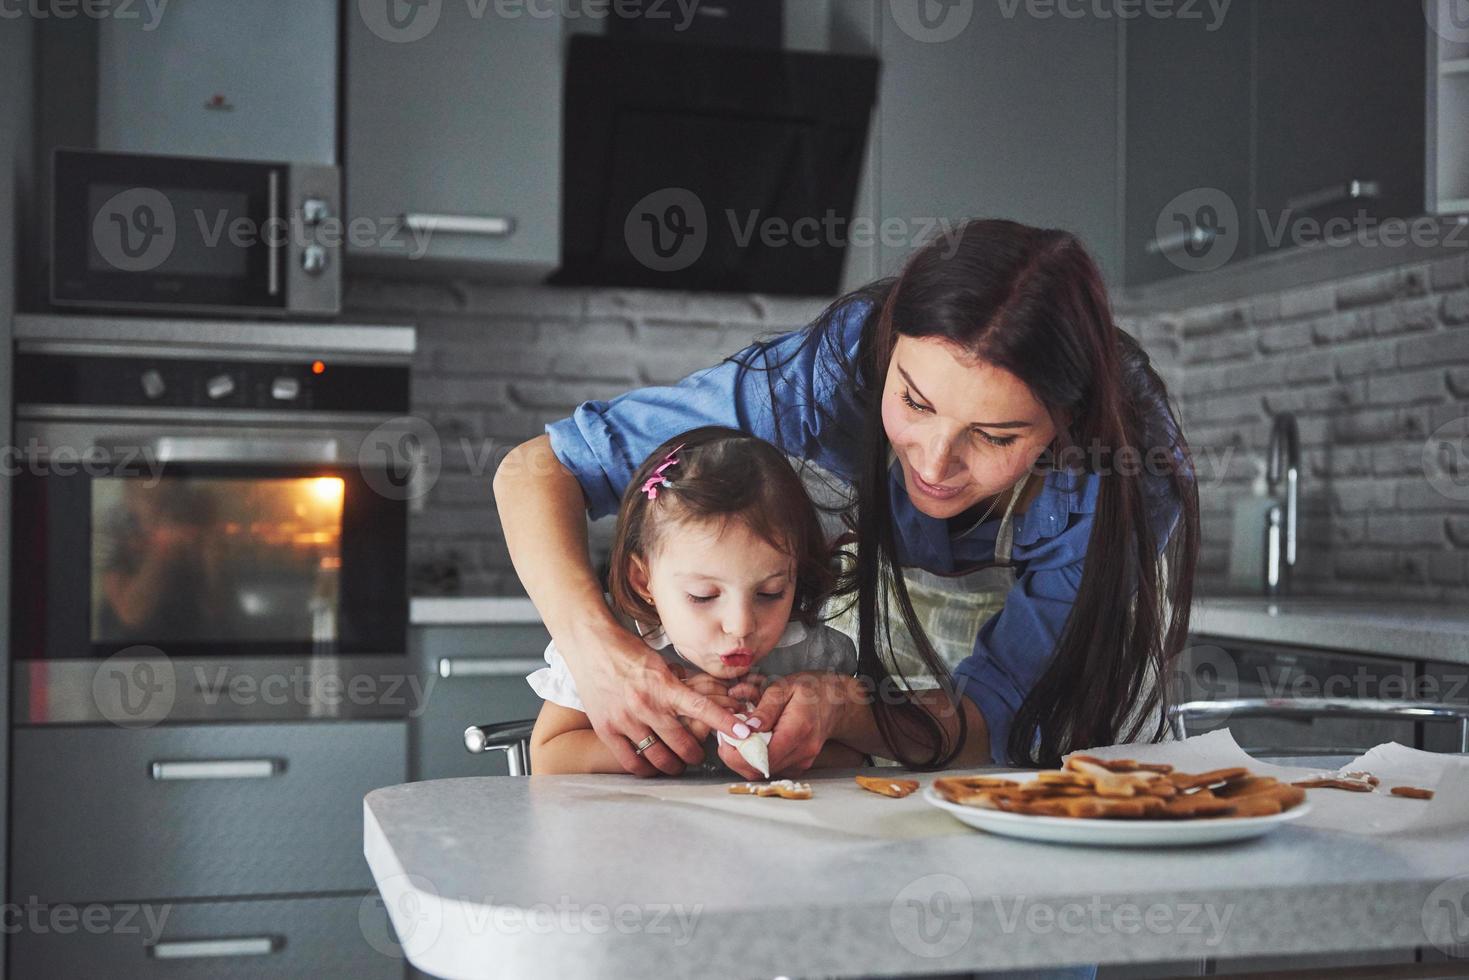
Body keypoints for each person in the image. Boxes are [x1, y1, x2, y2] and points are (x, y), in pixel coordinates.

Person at [494, 218, 1199, 783]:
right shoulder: (822, 380)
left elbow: (1002, 718)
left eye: (993, 436)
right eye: (913, 403)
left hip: (1065, 756)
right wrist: (599, 651)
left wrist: (843, 709)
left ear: (1065, 424)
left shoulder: (1125, 472)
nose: (933, 463)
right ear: (885, 353)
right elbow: (535, 471)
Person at [526, 427, 865, 775]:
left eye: (770, 593)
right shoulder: (610, 647)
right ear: (644, 580)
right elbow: (550, 757)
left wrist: (775, 743)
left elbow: (853, 760)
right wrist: (669, 737)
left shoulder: (812, 652)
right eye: (703, 596)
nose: (741, 625)